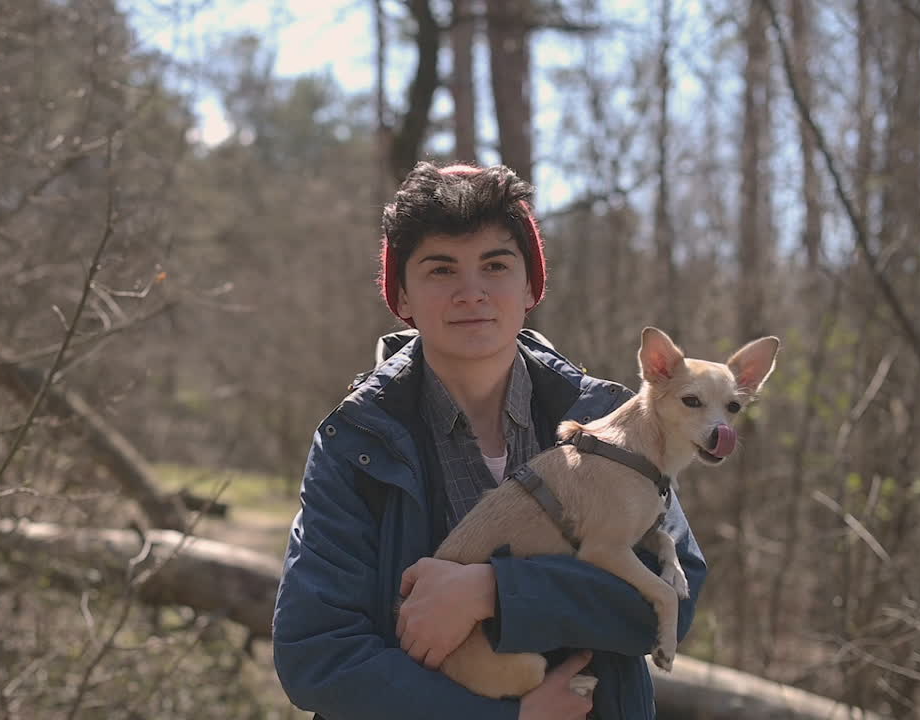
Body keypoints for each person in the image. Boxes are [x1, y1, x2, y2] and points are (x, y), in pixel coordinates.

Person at [271, 162, 706, 720]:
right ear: (401, 295)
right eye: (441, 269)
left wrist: (494, 591)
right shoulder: (355, 441)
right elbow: (317, 655)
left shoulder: (606, 418)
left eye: (495, 265)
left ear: (530, 286)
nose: (470, 292)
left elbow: (674, 595)